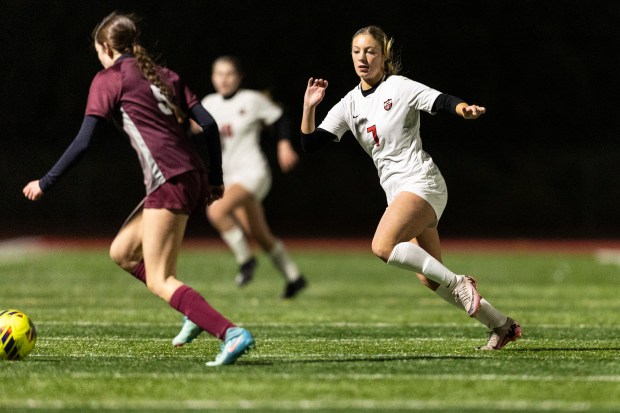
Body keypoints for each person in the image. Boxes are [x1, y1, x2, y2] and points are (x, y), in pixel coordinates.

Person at [22, 12, 254, 365]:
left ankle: (230, 332)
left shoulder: (109, 78)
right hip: (188, 174)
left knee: (161, 279)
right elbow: (208, 125)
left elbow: (84, 142)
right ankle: (191, 310)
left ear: (105, 46)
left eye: (97, 49)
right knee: (122, 253)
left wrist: (45, 182)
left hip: (170, 179)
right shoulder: (165, 75)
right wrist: (215, 178)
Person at [300, 25, 521, 350]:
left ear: (383, 56)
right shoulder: (349, 104)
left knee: (382, 246)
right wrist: (309, 106)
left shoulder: (399, 87)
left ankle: (461, 283)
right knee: (429, 276)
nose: (363, 57)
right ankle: (501, 325)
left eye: (370, 51)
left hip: (422, 183)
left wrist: (464, 109)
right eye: (357, 51)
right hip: (400, 194)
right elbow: (309, 144)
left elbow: (440, 100)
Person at [171, 56, 308, 347]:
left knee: (216, 208)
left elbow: (281, 117)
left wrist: (284, 143)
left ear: (239, 76)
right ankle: (294, 278)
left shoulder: (252, 99)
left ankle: (246, 260)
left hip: (254, 173)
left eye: (230, 73)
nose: (225, 78)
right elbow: (193, 130)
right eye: (219, 73)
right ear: (212, 76)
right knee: (260, 233)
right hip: (231, 177)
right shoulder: (209, 102)